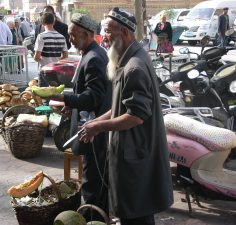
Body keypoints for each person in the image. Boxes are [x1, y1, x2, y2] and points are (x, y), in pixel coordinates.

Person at [80, 7, 173, 225]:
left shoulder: (135, 67)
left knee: (136, 213)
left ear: (124, 32)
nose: (104, 37)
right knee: (134, 210)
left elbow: (135, 117)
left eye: (108, 31)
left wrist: (99, 128)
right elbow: (119, 106)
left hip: (135, 152)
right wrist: (96, 121)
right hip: (132, 151)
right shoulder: (130, 58)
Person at [48, 13, 111, 221]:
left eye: (73, 35)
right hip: (90, 126)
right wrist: (71, 107)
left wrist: (65, 98)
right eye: (69, 35)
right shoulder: (90, 53)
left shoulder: (93, 58)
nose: (70, 39)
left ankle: (95, 218)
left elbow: (94, 96)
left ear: (86, 34)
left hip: (93, 131)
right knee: (93, 179)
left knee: (92, 182)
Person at [33, 12, 68, 87]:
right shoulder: (61, 37)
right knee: (56, 94)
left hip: (44, 70)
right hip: (57, 70)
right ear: (54, 22)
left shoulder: (41, 36)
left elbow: (36, 57)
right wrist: (56, 60)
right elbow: (65, 55)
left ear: (42, 23)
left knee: (44, 95)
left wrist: (45, 61)